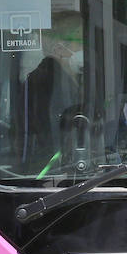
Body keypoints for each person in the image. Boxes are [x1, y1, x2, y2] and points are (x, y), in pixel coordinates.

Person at [23, 10, 85, 172]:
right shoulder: (45, 81)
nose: (84, 46)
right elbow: (51, 138)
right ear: (59, 47)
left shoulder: (75, 77)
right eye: (79, 40)